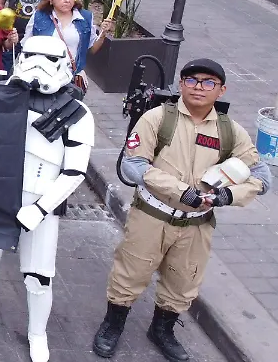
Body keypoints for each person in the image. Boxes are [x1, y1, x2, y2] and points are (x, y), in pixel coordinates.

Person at [92, 58, 272, 360]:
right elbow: (133, 165)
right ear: (181, 85)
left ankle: (162, 330)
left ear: (221, 89)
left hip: (197, 224)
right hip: (152, 216)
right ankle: (113, 324)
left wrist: (228, 195)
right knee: (130, 273)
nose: (199, 87)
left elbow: (262, 177)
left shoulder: (231, 131)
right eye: (192, 80)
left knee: (183, 281)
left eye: (208, 82)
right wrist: (181, 192)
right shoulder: (158, 119)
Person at [0, 36, 95, 362]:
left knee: (38, 274)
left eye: (47, 58)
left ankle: (37, 332)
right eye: (31, 55)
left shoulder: (77, 113)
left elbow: (74, 172)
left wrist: (41, 208)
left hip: (41, 200)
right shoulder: (4, 98)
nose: (37, 63)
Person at [24, 0, 113, 84]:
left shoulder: (85, 17)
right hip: (43, 76)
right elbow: (26, 46)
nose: (67, 0)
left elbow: (92, 50)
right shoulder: (39, 16)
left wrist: (103, 33)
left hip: (71, 78)